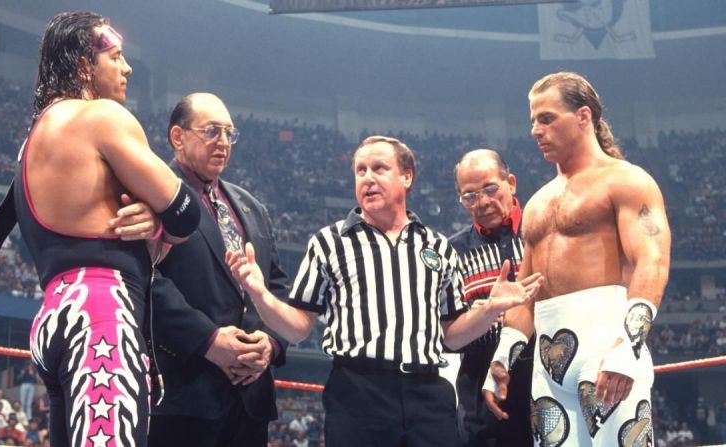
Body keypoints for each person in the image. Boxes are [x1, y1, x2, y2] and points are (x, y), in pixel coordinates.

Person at [227, 135, 544, 447]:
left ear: (407, 176)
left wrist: (489, 309)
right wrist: (260, 294)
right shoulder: (329, 242)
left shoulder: (436, 246)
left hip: (429, 392)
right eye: (360, 170)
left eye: (379, 168)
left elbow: (451, 335)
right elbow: (297, 329)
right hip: (358, 391)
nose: (368, 178)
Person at [0, 11, 201, 447]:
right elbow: (186, 213)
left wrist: (151, 222)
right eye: (116, 57)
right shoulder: (101, 117)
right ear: (86, 65)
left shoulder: (32, 141)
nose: (127, 68)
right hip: (101, 316)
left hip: (54, 316)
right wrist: (161, 222)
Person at [483, 71, 671, 446]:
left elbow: (652, 259)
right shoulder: (537, 203)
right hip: (547, 366)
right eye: (533, 120)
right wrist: (504, 354)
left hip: (606, 347)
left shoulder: (626, 181)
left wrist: (628, 346)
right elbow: (527, 292)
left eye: (547, 118)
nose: (536, 130)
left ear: (584, 116)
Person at [147, 92, 289, 447]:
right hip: (183, 392)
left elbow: (278, 287)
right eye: (211, 131)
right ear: (177, 137)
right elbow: (144, 279)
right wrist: (207, 340)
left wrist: (271, 344)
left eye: (229, 133)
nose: (223, 142)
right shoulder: (149, 192)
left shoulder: (252, 206)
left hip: (250, 401)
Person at [449, 149, 533, 446]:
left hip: (548, 376)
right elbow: (447, 335)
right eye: (470, 196)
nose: (482, 202)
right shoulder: (452, 252)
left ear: (511, 182)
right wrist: (486, 313)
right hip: (482, 393)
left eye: (490, 189)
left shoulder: (545, 231)